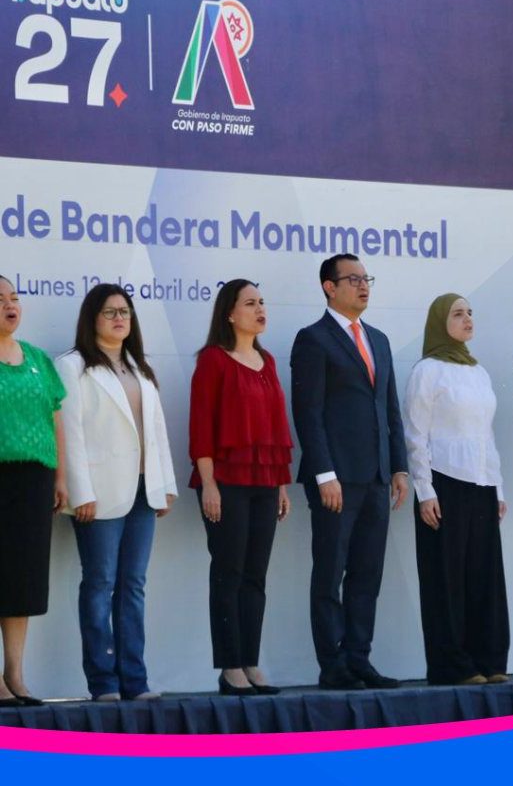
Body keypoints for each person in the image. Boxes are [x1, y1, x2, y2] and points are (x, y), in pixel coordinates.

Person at [291, 253, 408, 690]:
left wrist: (399, 467)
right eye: (353, 279)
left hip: (376, 477)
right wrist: (324, 473)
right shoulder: (313, 339)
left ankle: (359, 658)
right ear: (329, 286)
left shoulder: (378, 339)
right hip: (336, 479)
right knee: (330, 572)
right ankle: (333, 664)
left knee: (366, 574)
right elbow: (308, 412)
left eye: (366, 278)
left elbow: (390, 408)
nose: (363, 286)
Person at [57, 284, 178, 701]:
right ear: (92, 319)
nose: (119, 318)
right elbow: (70, 432)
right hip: (99, 492)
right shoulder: (73, 366)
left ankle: (134, 680)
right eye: (110, 312)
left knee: (133, 585)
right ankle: (103, 682)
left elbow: (156, 430)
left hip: (143, 491)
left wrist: (164, 484)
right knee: (99, 583)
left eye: (125, 311)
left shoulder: (139, 367)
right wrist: (80, 491)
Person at [190, 279, 292, 696]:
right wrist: (209, 484)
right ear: (230, 314)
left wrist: (281, 484)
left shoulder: (267, 362)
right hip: (225, 482)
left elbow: (276, 428)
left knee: (255, 575)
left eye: (262, 302)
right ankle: (230, 666)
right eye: (250, 303)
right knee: (228, 572)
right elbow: (201, 425)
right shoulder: (213, 360)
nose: (260, 309)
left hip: (265, 481)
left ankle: (250, 661)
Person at [403, 293, 509, 686]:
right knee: (445, 577)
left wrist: (498, 488)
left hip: (481, 482)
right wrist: (425, 490)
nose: (467, 319)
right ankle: (453, 665)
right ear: (439, 322)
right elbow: (415, 434)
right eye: (458, 314)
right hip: (443, 479)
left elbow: (486, 434)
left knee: (484, 574)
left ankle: (489, 660)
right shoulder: (427, 371)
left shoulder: (478, 372)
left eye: (470, 313)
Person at [0, 274, 67, 707]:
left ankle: (16, 675)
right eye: (0, 299)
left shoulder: (39, 358)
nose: (10, 305)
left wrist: (60, 477)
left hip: (33, 480)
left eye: (14, 297)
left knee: (21, 578)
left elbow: (55, 418)